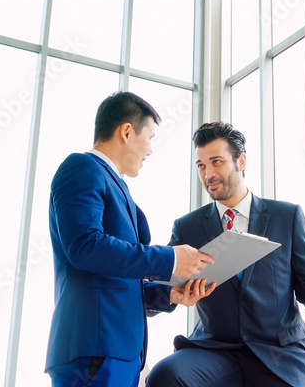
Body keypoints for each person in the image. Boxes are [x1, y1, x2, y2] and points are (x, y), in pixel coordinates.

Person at [147, 122, 305, 387]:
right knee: (164, 376)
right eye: (201, 166)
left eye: (216, 162)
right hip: (215, 350)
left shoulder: (287, 217)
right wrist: (171, 295)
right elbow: (164, 285)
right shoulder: (187, 227)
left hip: (280, 352)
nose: (208, 174)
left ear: (241, 160)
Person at [46, 91, 216, 387]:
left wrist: (170, 295)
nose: (149, 150)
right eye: (149, 137)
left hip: (118, 354)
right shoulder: (83, 168)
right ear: (126, 131)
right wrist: (171, 258)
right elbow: (85, 246)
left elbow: (122, 277)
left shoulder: (119, 188)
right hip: (95, 351)